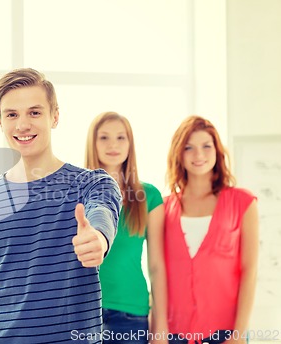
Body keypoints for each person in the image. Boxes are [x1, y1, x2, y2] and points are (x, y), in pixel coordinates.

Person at [0, 68, 122, 343]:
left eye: (35, 112)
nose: (22, 125)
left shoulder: (91, 184)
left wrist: (98, 238)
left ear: (55, 116)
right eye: (12, 114)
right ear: (0, 121)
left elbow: (102, 212)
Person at [164, 116, 258, 344]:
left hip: (226, 333)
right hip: (174, 334)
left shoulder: (243, 203)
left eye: (206, 146)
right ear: (179, 153)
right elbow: (158, 272)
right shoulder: (164, 208)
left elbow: (250, 272)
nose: (199, 155)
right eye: (189, 148)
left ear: (217, 151)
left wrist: (238, 335)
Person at [85, 112, 168, 344]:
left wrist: (160, 328)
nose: (113, 144)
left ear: (130, 144)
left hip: (131, 314)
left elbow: (157, 266)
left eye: (121, 138)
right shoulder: (74, 191)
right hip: (82, 312)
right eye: (104, 138)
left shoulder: (149, 196)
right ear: (93, 143)